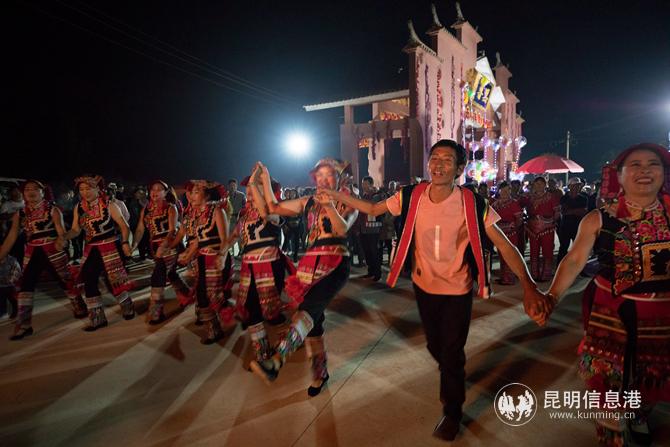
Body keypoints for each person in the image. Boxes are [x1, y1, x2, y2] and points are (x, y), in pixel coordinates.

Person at [318, 140, 547, 441]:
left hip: (457, 290)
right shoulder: (412, 195)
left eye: (447, 160)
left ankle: (452, 411)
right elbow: (374, 208)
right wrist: (334, 195)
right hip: (424, 287)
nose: (438, 164)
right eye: (434, 158)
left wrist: (529, 286)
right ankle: (453, 371)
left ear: (460, 169)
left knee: (451, 353)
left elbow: (504, 244)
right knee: (435, 347)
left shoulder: (473, 203)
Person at [542, 143, 670, 446]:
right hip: (609, 309)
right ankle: (610, 430)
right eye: (634, 165)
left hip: (661, 313)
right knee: (605, 372)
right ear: (620, 175)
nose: (644, 170)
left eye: (653, 164)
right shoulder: (599, 218)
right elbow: (574, 260)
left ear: (664, 173)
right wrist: (551, 297)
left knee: (651, 370)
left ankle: (639, 413)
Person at [249, 159, 358, 397]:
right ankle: (320, 374)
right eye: (319, 176)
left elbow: (341, 229)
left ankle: (276, 361)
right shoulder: (308, 201)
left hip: (335, 263)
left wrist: (329, 204)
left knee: (305, 312)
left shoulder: (348, 199)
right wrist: (265, 179)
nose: (323, 180)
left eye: (329, 175)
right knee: (313, 324)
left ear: (339, 178)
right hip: (310, 266)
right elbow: (273, 208)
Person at [231, 170, 295, 366]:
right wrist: (222, 250)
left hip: (269, 264)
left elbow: (273, 220)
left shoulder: (273, 209)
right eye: (248, 189)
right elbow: (234, 235)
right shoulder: (244, 214)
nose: (249, 192)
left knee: (272, 311)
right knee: (250, 308)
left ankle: (289, 340)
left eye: (254, 188)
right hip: (249, 265)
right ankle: (262, 351)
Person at [10, 180, 88, 340]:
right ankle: (24, 324)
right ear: (23, 194)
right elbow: (11, 236)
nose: (30, 192)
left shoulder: (52, 210)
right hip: (32, 253)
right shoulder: (20, 214)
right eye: (27, 189)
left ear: (42, 192)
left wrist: (62, 241)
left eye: (35, 189)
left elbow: (61, 231)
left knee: (65, 281)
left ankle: (79, 304)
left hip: (52, 250)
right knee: (25, 285)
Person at [59, 175, 135, 331]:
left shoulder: (109, 204)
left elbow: (124, 226)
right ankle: (97, 317)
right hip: (92, 248)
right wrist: (64, 237)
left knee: (113, 280)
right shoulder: (79, 208)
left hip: (110, 246)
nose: (85, 192)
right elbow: (75, 230)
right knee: (88, 278)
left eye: (88, 188)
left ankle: (127, 306)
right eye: (81, 189)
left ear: (98, 189)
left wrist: (126, 242)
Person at [168, 180, 231, 344]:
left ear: (207, 195)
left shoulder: (217, 212)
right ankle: (214, 329)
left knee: (210, 295)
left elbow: (225, 240)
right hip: (201, 258)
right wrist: (186, 253)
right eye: (190, 192)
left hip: (215, 259)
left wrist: (222, 257)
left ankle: (218, 324)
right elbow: (196, 240)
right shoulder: (193, 215)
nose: (191, 195)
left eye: (196, 192)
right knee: (202, 294)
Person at [132, 180, 190, 324]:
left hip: (170, 246)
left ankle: (155, 312)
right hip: (155, 247)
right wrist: (133, 245)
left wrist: (164, 246)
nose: (155, 192)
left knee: (158, 275)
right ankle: (187, 295)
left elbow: (172, 230)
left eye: (159, 189)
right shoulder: (146, 209)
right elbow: (140, 229)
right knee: (170, 273)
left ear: (165, 193)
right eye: (153, 189)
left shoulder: (170, 208)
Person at [520, 177, 561, 281]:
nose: (538, 186)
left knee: (547, 251)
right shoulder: (529, 197)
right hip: (532, 229)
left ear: (545, 185)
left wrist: (551, 222)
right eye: (536, 184)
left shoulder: (551, 197)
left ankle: (546, 274)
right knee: (534, 252)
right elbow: (519, 204)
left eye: (540, 183)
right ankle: (534, 274)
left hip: (547, 228)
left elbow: (557, 213)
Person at [491, 181, 523, 285]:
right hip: (500, 234)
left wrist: (513, 228)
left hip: (511, 234)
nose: (505, 192)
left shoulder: (514, 203)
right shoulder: (495, 204)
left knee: (510, 255)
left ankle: (510, 278)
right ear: (499, 191)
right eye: (503, 190)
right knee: (502, 256)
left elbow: (519, 219)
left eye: (507, 190)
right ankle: (504, 277)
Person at [557, 177, 589, 264]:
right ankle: (560, 266)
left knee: (579, 248)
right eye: (574, 186)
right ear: (570, 186)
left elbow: (584, 212)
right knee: (563, 248)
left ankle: (579, 267)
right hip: (565, 227)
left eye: (578, 186)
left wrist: (571, 211)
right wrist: (577, 211)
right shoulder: (564, 198)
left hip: (578, 227)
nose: (577, 187)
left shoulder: (584, 198)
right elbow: (564, 211)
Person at [358, 176, 383, 280]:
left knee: (374, 251)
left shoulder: (376, 195)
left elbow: (370, 206)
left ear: (371, 184)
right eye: (363, 184)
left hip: (374, 229)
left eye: (365, 184)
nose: (363, 186)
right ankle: (370, 271)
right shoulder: (364, 195)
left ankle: (377, 273)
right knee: (367, 251)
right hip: (364, 228)